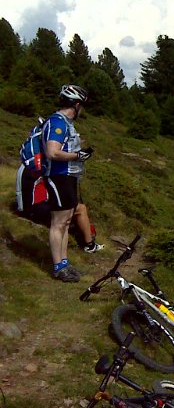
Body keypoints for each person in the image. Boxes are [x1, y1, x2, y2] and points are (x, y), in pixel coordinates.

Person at [43, 84, 93, 282]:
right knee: (58, 222)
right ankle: (58, 267)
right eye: (82, 106)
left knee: (66, 220)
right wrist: (77, 155)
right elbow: (52, 152)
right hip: (58, 176)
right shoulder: (57, 122)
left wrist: (79, 156)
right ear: (77, 104)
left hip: (69, 176)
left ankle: (64, 263)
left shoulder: (66, 123)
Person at [15, 163, 103, 253]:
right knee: (81, 209)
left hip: (27, 206)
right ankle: (89, 245)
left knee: (69, 208)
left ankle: (83, 235)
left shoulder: (26, 165)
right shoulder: (40, 166)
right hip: (35, 208)